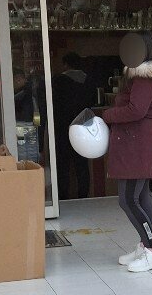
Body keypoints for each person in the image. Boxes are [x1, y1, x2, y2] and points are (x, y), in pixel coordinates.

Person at [102, 31, 152, 273]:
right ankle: (145, 246)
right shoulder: (143, 75)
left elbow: (136, 110)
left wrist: (108, 115)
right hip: (138, 145)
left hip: (136, 147)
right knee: (140, 198)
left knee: (128, 200)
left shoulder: (144, 77)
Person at [52, 52, 92, 200]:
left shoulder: (58, 80)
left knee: (63, 165)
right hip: (83, 126)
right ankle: (83, 195)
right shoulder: (88, 80)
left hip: (62, 127)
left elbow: (54, 104)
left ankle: (63, 197)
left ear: (65, 64)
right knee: (82, 165)